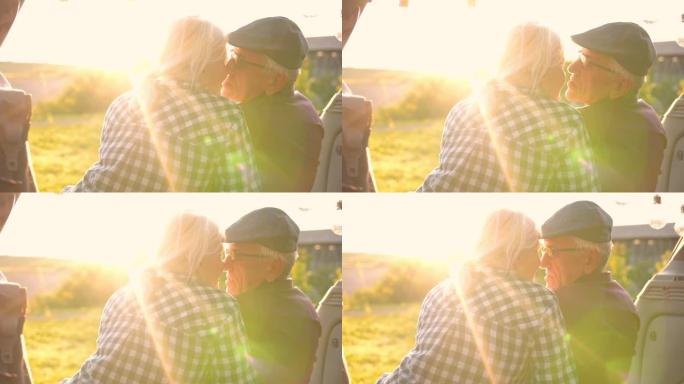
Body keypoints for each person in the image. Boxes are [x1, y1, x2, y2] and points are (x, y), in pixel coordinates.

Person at [377, 209, 577, 384]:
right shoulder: (539, 302)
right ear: (516, 252)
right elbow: (557, 380)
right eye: (539, 250)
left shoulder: (441, 290)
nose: (542, 261)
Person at [67, 16, 260, 192]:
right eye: (226, 58)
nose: (229, 68)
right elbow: (242, 190)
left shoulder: (125, 101)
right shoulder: (225, 116)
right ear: (203, 64)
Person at [62, 213, 255, 384]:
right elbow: (236, 379)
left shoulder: (124, 294)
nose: (226, 264)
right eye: (221, 253)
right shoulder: (219, 307)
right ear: (198, 256)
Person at [419, 22, 598, 192]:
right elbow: (580, 193)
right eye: (560, 63)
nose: (565, 72)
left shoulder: (463, 108)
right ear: (541, 68)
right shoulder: (563, 120)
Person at [540, 201, 640, 383]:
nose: (543, 261)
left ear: (589, 259)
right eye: (544, 249)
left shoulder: (559, 305)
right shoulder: (624, 301)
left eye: (552, 251)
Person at [222, 17, 324, 192]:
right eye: (232, 54)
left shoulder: (249, 120)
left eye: (240, 61)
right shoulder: (300, 105)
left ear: (275, 80)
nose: (228, 66)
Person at [223, 207, 321, 384]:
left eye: (236, 255)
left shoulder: (250, 312)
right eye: (227, 253)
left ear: (273, 267)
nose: (226, 265)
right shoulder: (298, 305)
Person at [566, 22, 666, 192]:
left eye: (587, 61)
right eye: (580, 55)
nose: (571, 67)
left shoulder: (579, 123)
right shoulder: (649, 118)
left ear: (620, 86)